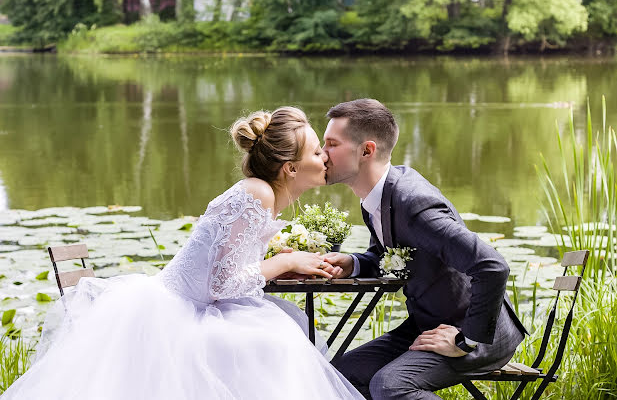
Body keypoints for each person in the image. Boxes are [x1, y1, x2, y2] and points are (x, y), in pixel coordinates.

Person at [3, 107, 363, 400]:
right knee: (275, 342)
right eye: (317, 151)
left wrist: (275, 263)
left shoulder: (263, 193)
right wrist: (283, 261)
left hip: (198, 304)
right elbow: (220, 285)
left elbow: (230, 267)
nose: (325, 157)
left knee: (282, 334)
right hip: (176, 309)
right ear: (292, 168)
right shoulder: (258, 194)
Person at [321, 99, 527, 399]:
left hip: (478, 334)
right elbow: (387, 256)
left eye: (331, 144)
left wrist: (465, 340)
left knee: (390, 385)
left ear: (366, 151)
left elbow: (492, 266)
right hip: (428, 325)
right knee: (343, 375)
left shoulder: (413, 203)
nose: (321, 153)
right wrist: (353, 263)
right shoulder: (377, 198)